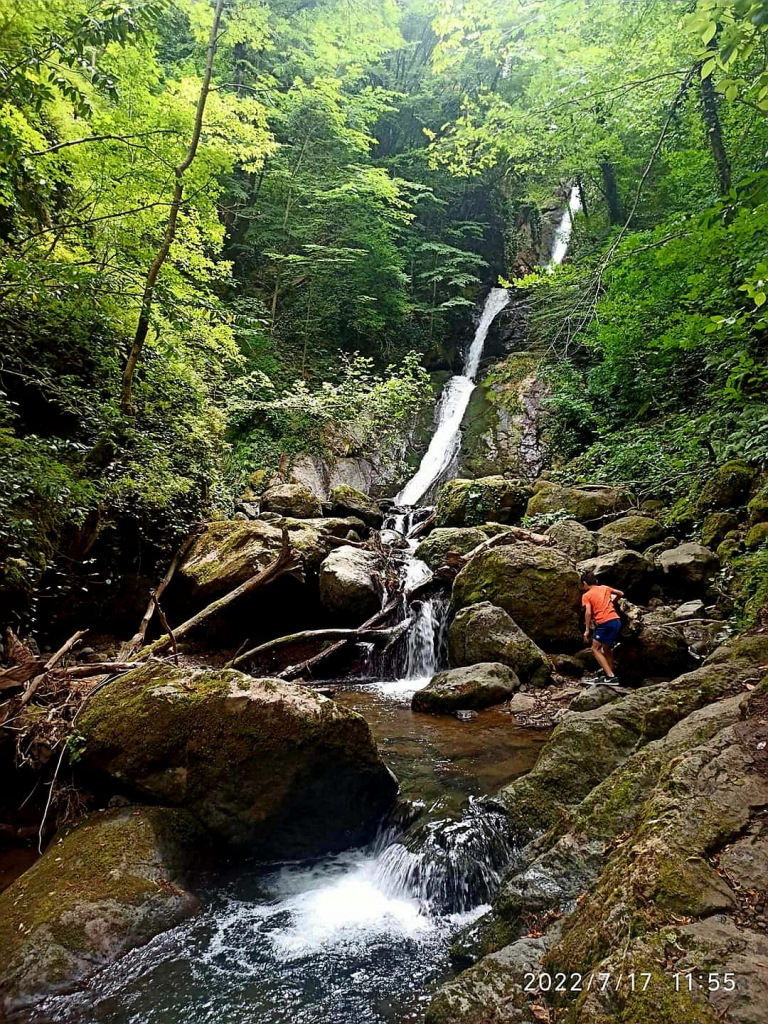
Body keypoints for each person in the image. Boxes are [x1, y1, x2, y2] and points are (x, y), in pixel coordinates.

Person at [581, 573, 623, 683]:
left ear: (585, 583)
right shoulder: (604, 588)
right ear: (596, 581)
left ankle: (610, 676)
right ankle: (609, 673)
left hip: (605, 623)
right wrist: (613, 602)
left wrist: (587, 630)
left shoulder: (587, 595)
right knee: (606, 648)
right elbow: (620, 593)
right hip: (616, 621)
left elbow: (588, 612)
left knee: (595, 649)